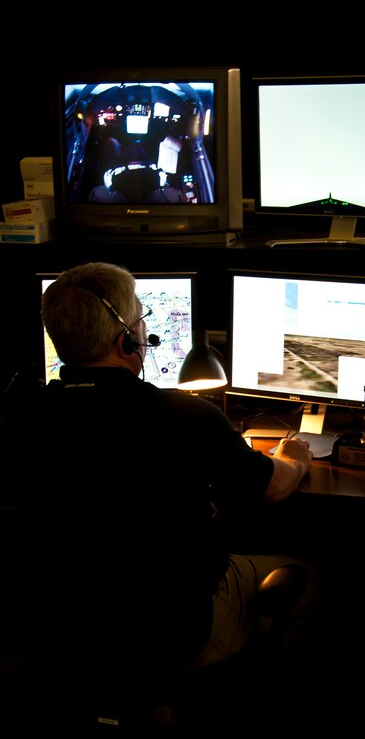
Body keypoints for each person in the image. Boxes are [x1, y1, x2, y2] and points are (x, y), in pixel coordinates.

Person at [0, 261, 320, 688]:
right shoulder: (182, 416)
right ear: (127, 339)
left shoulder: (20, 417)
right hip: (171, 633)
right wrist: (295, 457)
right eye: (139, 318)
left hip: (59, 630)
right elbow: (273, 487)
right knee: (308, 574)